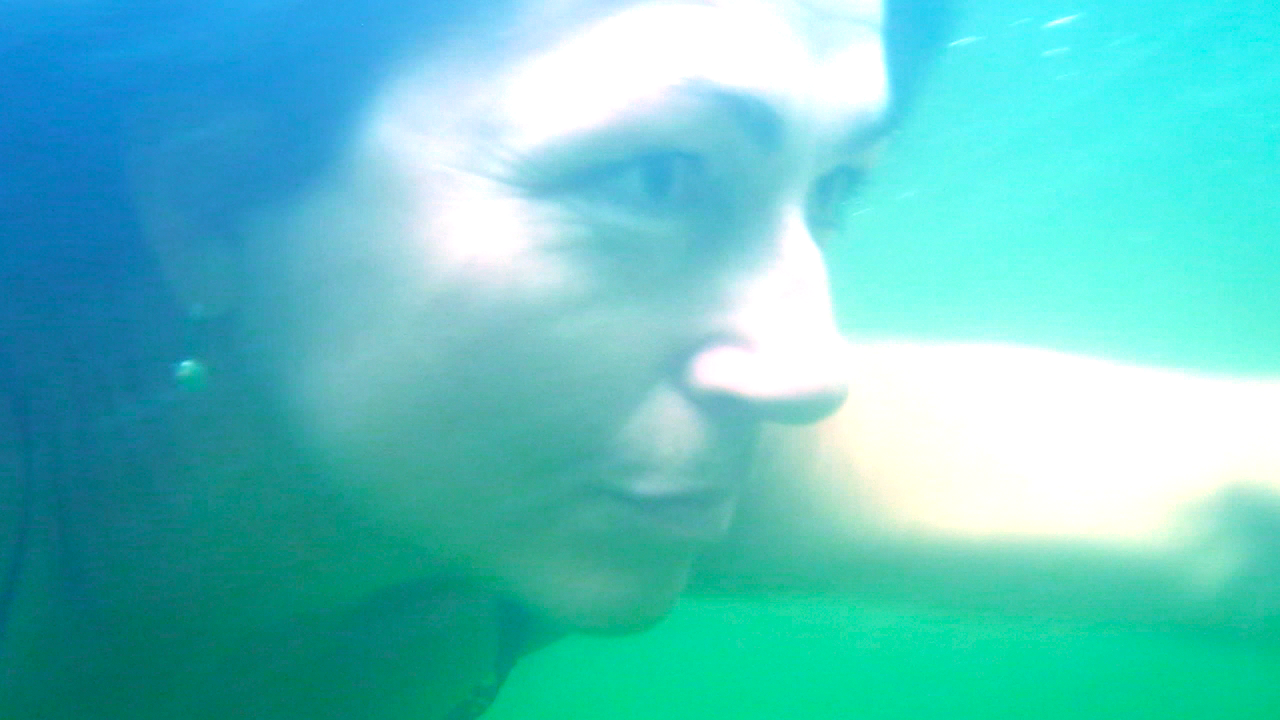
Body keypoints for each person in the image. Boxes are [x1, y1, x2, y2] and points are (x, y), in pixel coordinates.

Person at [0, 0, 1276, 718]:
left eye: (833, 190)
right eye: (656, 177)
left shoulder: (549, 470)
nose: (806, 369)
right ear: (207, 199)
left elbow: (1228, 511)